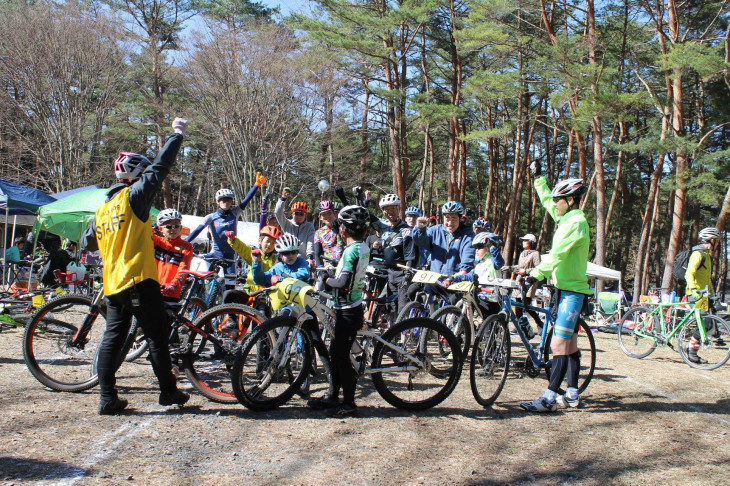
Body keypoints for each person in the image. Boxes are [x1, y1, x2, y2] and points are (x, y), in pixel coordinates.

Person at [87, 117, 190, 415]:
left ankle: (107, 398)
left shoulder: (102, 209)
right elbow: (160, 168)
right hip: (139, 280)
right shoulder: (132, 198)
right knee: (158, 336)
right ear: (135, 175)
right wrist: (176, 135)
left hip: (113, 283)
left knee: (112, 338)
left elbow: (88, 244)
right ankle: (168, 392)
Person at [520, 164, 591, 412]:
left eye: (558, 200)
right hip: (564, 290)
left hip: (572, 293)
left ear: (570, 200)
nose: (554, 204)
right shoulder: (565, 216)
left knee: (557, 346)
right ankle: (571, 394)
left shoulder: (576, 223)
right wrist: (539, 179)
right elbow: (547, 203)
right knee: (570, 346)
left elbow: (558, 254)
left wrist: (535, 274)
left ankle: (549, 399)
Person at [307, 205, 370, 417]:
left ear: (343, 231)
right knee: (336, 353)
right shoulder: (363, 247)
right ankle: (333, 397)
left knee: (340, 356)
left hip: (347, 311)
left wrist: (326, 278)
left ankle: (349, 403)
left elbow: (343, 282)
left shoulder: (351, 251)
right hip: (350, 307)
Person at [186, 173, 267, 276]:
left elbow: (245, 201)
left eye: (228, 200)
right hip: (215, 253)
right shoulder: (211, 217)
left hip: (230, 255)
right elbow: (197, 230)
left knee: (230, 285)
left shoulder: (235, 213)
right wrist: (185, 242)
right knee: (203, 279)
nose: (226, 203)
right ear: (217, 202)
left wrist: (256, 185)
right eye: (223, 200)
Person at [367, 193, 417, 313]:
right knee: (391, 307)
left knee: (402, 307)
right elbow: (365, 215)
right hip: (389, 273)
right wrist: (364, 200)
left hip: (402, 273)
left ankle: (403, 330)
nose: (390, 212)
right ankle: (393, 331)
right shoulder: (382, 226)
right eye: (386, 209)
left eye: (393, 208)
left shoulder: (406, 229)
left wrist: (408, 275)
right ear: (383, 211)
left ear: (399, 208)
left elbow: (409, 254)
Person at [684, 226, 722, 363]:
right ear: (711, 240)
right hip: (695, 294)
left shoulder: (707, 256)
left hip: (704, 295)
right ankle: (691, 350)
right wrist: (694, 289)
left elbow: (706, 278)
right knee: (704, 322)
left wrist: (713, 294)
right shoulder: (698, 254)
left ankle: (691, 347)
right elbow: (689, 273)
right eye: (716, 240)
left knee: (709, 323)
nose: (717, 243)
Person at [222, 224, 282, 305]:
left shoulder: (276, 260)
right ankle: (232, 317)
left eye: (273, 243)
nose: (269, 245)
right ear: (260, 240)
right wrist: (233, 240)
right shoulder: (254, 254)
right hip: (249, 292)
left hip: (265, 296)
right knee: (228, 294)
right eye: (267, 241)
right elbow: (243, 248)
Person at [503, 233, 543, 334]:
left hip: (530, 281)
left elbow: (538, 268)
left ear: (531, 242)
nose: (523, 242)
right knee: (517, 306)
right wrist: (509, 268)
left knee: (526, 305)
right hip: (520, 281)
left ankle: (539, 323)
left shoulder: (535, 254)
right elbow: (519, 267)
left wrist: (526, 272)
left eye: (526, 240)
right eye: (523, 240)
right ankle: (519, 326)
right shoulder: (522, 253)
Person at [153, 209, 193, 301]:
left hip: (171, 292)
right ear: (160, 228)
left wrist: (174, 284)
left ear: (180, 227)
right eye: (168, 226)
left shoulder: (186, 246)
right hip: (153, 289)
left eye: (176, 226)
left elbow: (184, 268)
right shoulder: (157, 241)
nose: (173, 229)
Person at [274, 189, 316, 258]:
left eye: (301, 214)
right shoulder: (287, 223)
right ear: (292, 214)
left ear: (305, 215)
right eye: (296, 213)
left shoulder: (309, 226)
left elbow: (310, 242)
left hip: (303, 259)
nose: (299, 216)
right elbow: (278, 212)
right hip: (287, 256)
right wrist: (283, 198)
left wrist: (310, 256)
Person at [309, 200, 344, 269]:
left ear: (334, 213)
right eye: (324, 214)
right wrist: (320, 269)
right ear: (320, 217)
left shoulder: (343, 227)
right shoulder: (318, 233)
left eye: (329, 213)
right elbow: (317, 254)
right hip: (328, 267)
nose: (327, 216)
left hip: (344, 266)